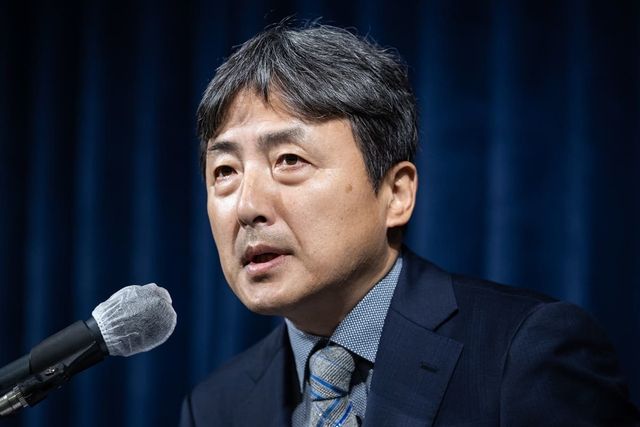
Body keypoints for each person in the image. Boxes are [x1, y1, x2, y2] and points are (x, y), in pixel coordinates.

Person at [179, 22, 639, 426]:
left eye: (289, 160)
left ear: (396, 194)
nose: (247, 206)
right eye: (225, 171)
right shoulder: (213, 406)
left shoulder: (524, 353)